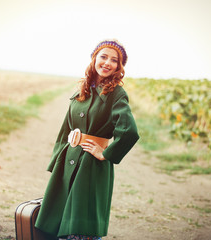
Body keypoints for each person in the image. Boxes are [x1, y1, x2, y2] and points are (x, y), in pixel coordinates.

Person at [35, 39, 139, 240]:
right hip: (68, 161)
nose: (107, 63)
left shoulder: (117, 94)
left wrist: (105, 153)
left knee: (82, 227)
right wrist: (58, 160)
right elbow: (66, 127)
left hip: (91, 165)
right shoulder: (82, 89)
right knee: (59, 220)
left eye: (114, 60)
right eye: (103, 56)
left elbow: (128, 130)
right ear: (94, 58)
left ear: (119, 66)